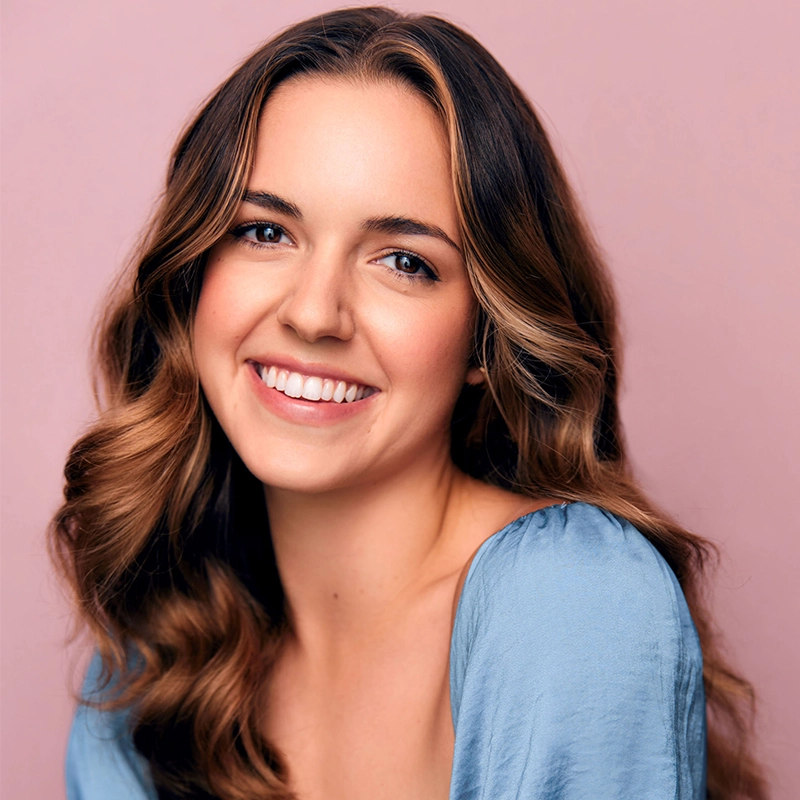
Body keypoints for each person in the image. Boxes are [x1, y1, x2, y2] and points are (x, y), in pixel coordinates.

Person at [51, 6, 767, 800]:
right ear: (192, 275)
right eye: (264, 232)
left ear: (486, 340)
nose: (314, 313)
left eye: (403, 261)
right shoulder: (150, 666)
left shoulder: (576, 607)